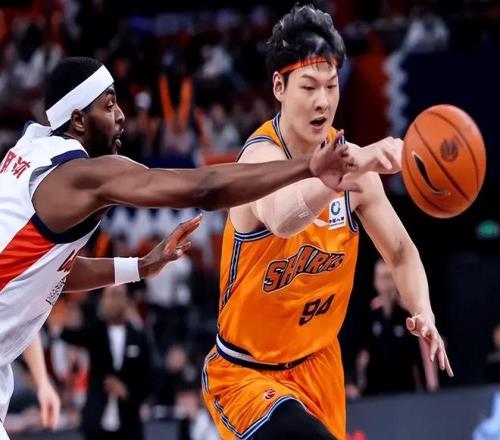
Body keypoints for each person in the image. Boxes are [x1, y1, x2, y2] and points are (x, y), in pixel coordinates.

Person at [0, 54, 364, 439]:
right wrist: (307, 167)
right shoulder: (79, 175)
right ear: (78, 121)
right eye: (108, 105)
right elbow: (203, 189)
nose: (121, 115)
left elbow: (51, 271)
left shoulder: (31, 154)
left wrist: (141, 266)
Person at [202, 5, 453, 440]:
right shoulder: (259, 158)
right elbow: (283, 218)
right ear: (279, 87)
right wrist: (346, 172)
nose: (323, 100)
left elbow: (400, 252)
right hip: (247, 374)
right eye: (309, 86)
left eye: (331, 85)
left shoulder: (356, 169)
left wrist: (423, 311)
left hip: (319, 366)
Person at [60, 284, 151, 440]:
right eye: (110, 296)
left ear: (127, 300)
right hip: (96, 420)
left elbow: (148, 376)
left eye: (118, 295)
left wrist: (127, 391)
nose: (113, 302)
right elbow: (68, 335)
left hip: (129, 422)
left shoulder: (138, 336)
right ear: (102, 300)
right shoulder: (95, 331)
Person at [356, 259, 438, 395]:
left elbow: (425, 357)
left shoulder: (410, 314)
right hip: (375, 393)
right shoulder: (370, 313)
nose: (386, 284)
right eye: (381, 278)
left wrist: (431, 390)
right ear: (375, 282)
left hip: (406, 392)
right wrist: (356, 385)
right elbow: (362, 354)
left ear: (396, 281)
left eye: (389, 277)